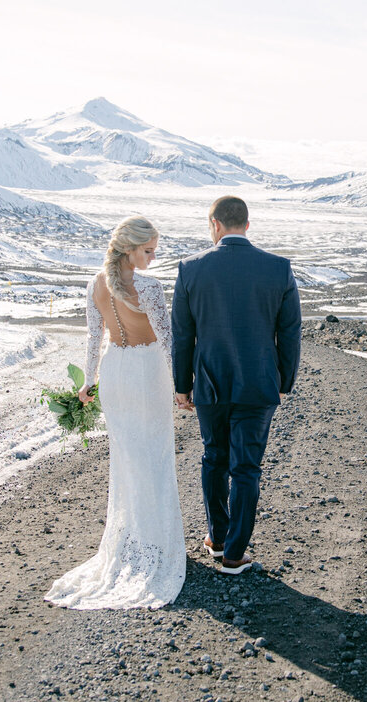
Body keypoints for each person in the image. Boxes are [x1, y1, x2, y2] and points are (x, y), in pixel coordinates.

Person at [44, 216, 185, 609]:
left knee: (127, 459)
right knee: (153, 456)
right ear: (129, 248)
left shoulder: (95, 283)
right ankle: (155, 546)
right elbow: (168, 338)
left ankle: (132, 543)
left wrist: (88, 381)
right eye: (148, 250)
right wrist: (181, 387)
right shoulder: (149, 288)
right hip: (147, 371)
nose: (153, 258)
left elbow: (94, 336)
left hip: (115, 370)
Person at [171, 195, 302, 574]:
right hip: (259, 385)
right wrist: (284, 381)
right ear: (247, 224)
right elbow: (290, 332)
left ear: (214, 225)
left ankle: (217, 536)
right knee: (246, 467)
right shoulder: (278, 269)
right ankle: (234, 552)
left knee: (214, 456)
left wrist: (182, 385)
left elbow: (183, 335)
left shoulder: (191, 269)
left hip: (209, 383)